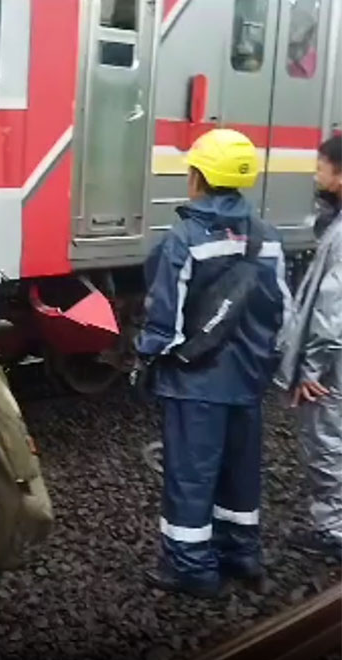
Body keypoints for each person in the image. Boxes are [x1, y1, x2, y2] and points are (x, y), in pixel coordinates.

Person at [136, 129, 288, 598]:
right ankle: (242, 556)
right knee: (240, 471)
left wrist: (146, 359)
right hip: (247, 382)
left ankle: (191, 568)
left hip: (196, 383)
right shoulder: (266, 238)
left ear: (197, 177)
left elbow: (166, 320)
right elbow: (282, 311)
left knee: (191, 474)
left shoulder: (185, 238)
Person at [275, 135, 342, 559]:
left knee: (328, 440)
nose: (315, 175)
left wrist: (311, 369)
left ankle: (333, 530)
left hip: (334, 365)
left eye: (321, 168)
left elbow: (333, 311)